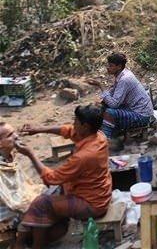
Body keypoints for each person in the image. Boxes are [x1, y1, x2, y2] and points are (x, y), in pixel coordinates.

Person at [14, 105, 112, 249]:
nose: (73, 124)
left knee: (42, 203)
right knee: (53, 194)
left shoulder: (84, 156)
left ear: (85, 126)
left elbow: (51, 178)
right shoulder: (98, 136)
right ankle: (40, 237)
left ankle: (26, 245)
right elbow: (68, 130)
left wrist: (30, 154)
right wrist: (39, 129)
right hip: (98, 193)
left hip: (91, 204)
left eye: (76, 121)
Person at [87, 52, 154, 139]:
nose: (108, 68)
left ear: (119, 66)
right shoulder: (122, 74)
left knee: (109, 113)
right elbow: (113, 95)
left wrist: (100, 86)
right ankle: (98, 134)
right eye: (108, 65)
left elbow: (114, 104)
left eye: (111, 66)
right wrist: (101, 104)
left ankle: (104, 141)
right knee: (100, 107)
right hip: (134, 109)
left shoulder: (125, 79)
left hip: (141, 116)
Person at [0, 122, 44, 233]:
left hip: (16, 200)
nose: (16, 136)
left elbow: (19, 185)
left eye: (14, 132)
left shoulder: (9, 156)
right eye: (10, 135)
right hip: (6, 212)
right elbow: (12, 203)